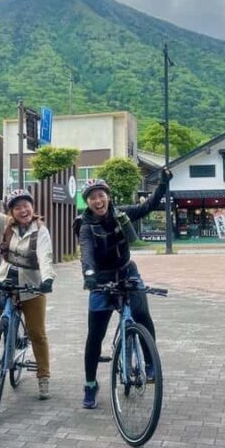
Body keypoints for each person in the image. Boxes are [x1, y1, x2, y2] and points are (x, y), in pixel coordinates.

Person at [77, 166, 171, 409]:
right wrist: (89, 275)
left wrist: (161, 184)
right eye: (92, 197)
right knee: (95, 335)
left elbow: (148, 206)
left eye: (101, 195)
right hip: (100, 278)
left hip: (128, 271)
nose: (98, 200)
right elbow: (86, 251)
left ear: (108, 197)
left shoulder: (122, 215)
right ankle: (90, 384)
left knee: (142, 316)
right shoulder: (86, 225)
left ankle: (150, 363)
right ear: (87, 202)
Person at [0, 171, 56, 400]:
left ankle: (43, 377)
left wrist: (48, 279)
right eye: (17, 207)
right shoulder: (6, 224)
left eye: (26, 205)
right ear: (11, 211)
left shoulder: (41, 230)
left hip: (33, 285)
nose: (23, 210)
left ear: (32, 207)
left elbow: (45, 255)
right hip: (6, 279)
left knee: (37, 333)